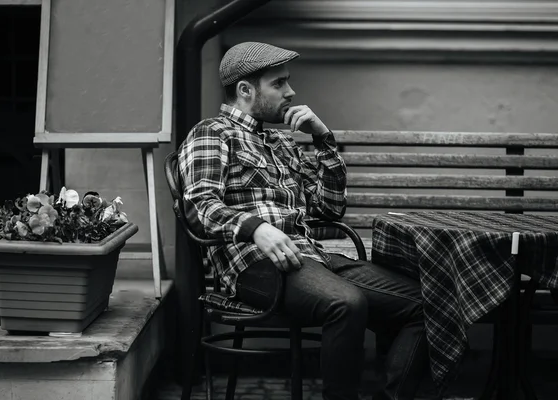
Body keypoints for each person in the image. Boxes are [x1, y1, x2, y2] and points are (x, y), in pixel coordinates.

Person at [178, 42, 429, 400]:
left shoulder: (281, 142)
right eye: (278, 83)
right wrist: (256, 228)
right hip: (255, 266)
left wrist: (324, 141)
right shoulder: (212, 133)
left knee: (426, 304)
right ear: (245, 90)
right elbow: (198, 206)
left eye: (287, 82)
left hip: (312, 257)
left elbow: (327, 211)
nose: (291, 92)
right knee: (347, 302)